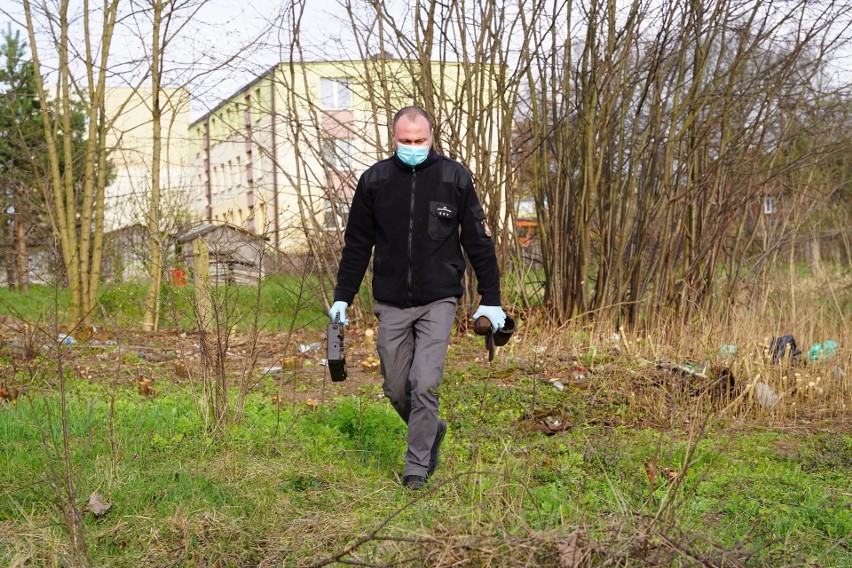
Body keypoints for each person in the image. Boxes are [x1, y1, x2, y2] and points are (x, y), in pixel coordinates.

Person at [328, 105, 506, 490]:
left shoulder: (453, 178)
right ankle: (431, 430)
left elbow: (478, 241)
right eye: (405, 141)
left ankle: (416, 469)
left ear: (431, 137)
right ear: (393, 138)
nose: (412, 147)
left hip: (438, 299)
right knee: (395, 387)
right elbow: (357, 245)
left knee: (424, 382)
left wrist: (490, 297)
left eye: (419, 140)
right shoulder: (375, 181)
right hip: (391, 300)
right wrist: (343, 296)